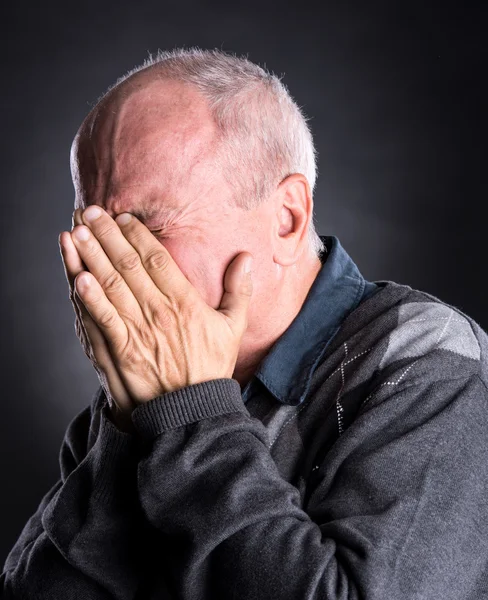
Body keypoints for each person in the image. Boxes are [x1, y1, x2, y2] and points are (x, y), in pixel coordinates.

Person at [2, 47, 487, 600]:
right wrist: (132, 429)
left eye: (145, 231)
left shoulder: (426, 366)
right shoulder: (136, 394)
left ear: (287, 219)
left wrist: (191, 415)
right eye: (94, 236)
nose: (111, 269)